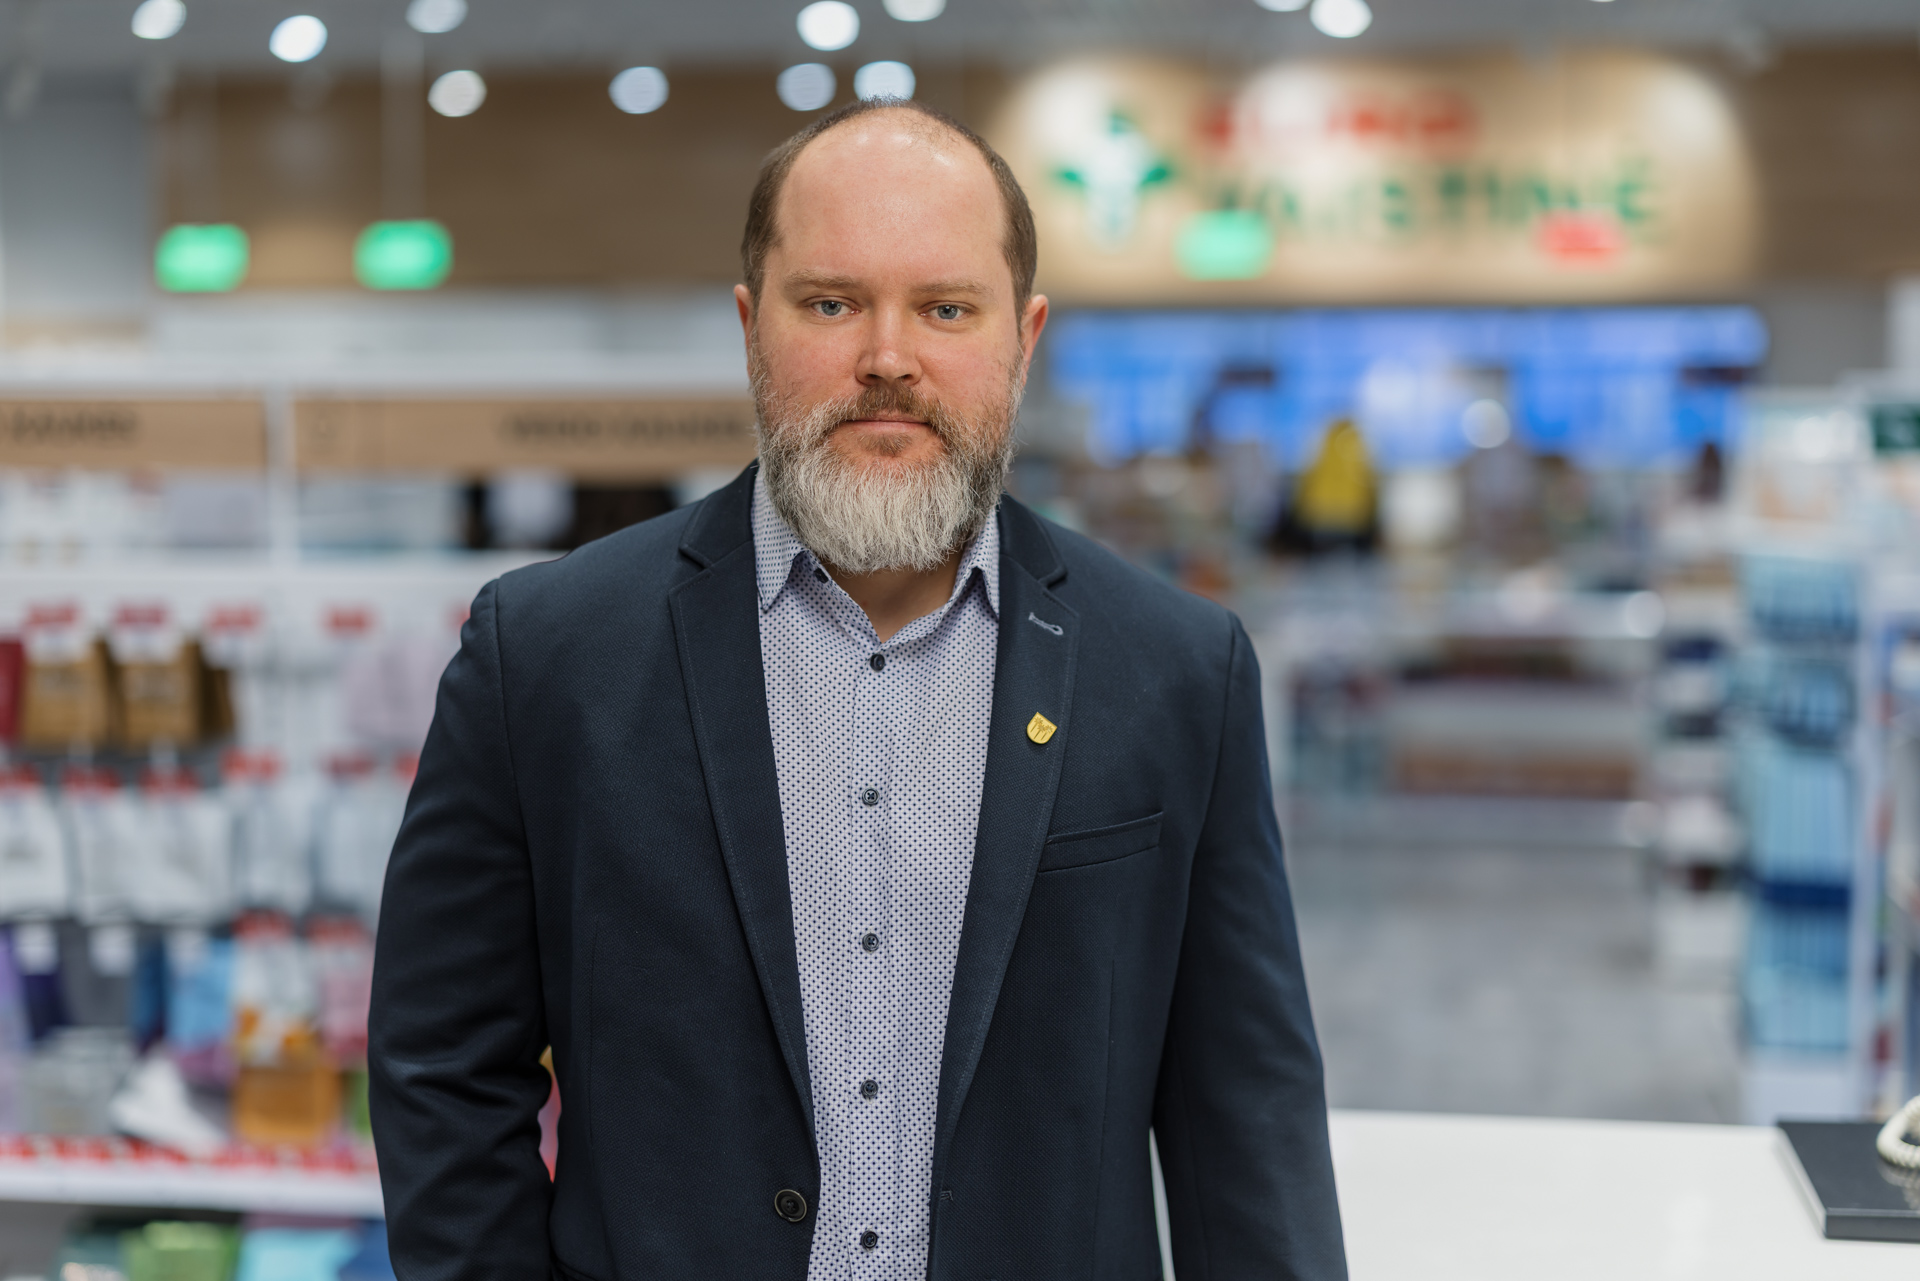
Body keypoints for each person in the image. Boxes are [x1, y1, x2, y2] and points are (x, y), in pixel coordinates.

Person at [369, 98, 1345, 1281]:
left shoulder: (1178, 671)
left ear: (1024, 338)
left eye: (947, 308)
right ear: (751, 328)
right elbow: (443, 1066)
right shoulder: (548, 656)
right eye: (831, 304)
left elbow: (1247, 1116)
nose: (888, 357)